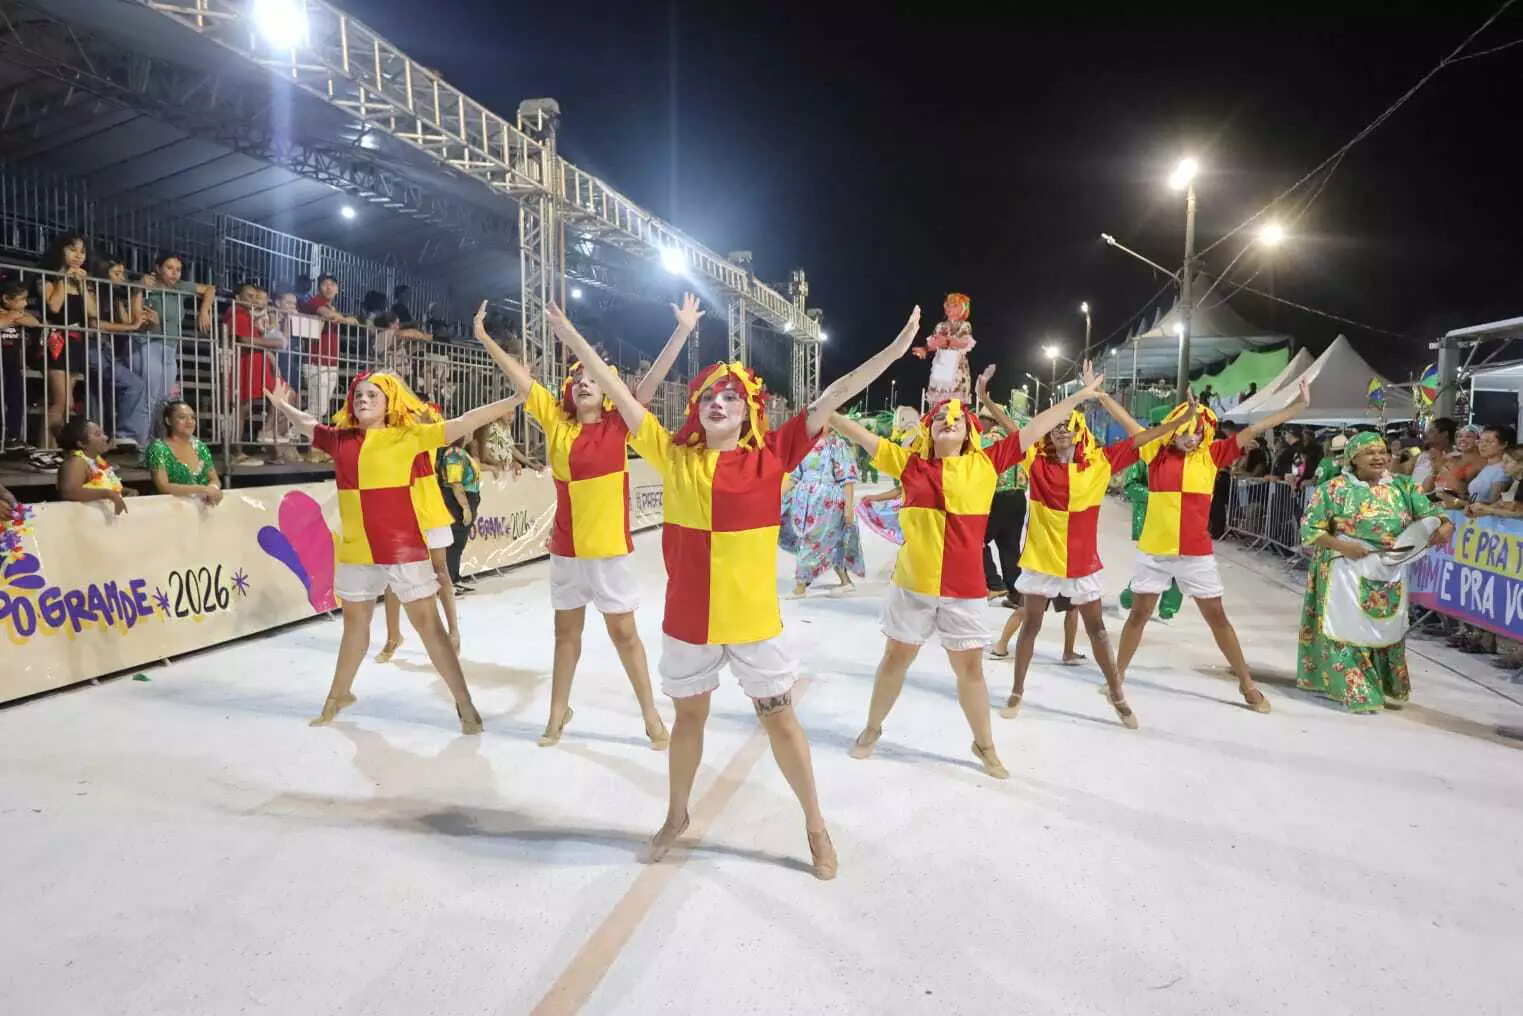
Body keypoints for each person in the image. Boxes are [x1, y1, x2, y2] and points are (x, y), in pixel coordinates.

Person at [548, 302, 917, 881]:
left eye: (730, 397)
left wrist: (893, 353)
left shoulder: (773, 455)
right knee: (688, 721)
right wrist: (571, 334)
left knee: (781, 721)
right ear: (696, 409)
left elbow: (833, 395)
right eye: (708, 397)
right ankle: (677, 815)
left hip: (751, 622)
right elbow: (618, 391)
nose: (717, 403)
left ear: (749, 412)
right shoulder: (673, 456)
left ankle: (815, 825)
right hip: (689, 621)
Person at [831, 369, 1104, 779]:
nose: (949, 420)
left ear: (970, 432)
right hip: (913, 586)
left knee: (970, 671)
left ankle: (985, 745)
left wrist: (1079, 397)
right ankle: (872, 728)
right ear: (928, 429)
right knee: (895, 659)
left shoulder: (987, 462)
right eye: (940, 417)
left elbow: (1036, 427)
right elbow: (858, 433)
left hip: (964, 589)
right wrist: (827, 410)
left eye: (957, 418)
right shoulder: (908, 463)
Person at [473, 297, 692, 751]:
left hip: (609, 549)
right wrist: (484, 338)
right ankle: (558, 711)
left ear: (608, 390)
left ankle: (650, 714)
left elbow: (652, 380)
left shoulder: (619, 423)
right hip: (567, 550)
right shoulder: (557, 423)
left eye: (594, 379)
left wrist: (682, 330)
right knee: (565, 635)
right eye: (578, 380)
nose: (584, 384)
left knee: (624, 635)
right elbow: (521, 379)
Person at [264, 372, 520, 733]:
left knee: (429, 627)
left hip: (402, 549)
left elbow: (465, 421)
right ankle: (337, 695)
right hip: (358, 550)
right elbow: (307, 424)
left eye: (373, 395)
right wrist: (282, 405)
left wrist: (515, 399)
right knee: (354, 628)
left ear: (389, 403)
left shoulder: (408, 436)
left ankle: (464, 703)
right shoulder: (340, 440)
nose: (363, 399)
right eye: (359, 394)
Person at [988, 364, 1199, 729]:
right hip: (1041, 559)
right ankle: (1017, 692)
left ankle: (1117, 695)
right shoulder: (1036, 460)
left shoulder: (1100, 463)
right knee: (1031, 625)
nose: (1061, 432)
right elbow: (1015, 433)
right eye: (1056, 427)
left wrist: (1183, 420)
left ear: (1079, 430)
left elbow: (1143, 439)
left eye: (1067, 426)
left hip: (1081, 562)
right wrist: (988, 401)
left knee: (1098, 630)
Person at [1114, 381, 1313, 713]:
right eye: (1185, 430)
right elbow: (1129, 424)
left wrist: (1298, 407)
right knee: (1139, 614)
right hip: (1154, 551)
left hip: (1195, 553)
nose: (1192, 437)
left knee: (1217, 617)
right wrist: (1100, 395)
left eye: (1198, 431)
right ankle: (1116, 678)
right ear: (1174, 428)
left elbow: (1256, 428)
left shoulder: (1212, 455)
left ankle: (1247, 683)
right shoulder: (1154, 452)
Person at [1296, 432, 1453, 712]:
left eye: (1382, 452)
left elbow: (1430, 513)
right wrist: (1343, 546)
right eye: (1370, 453)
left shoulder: (1404, 486)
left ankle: (1382, 684)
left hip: (1389, 568)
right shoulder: (1333, 489)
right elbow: (1310, 529)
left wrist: (1444, 524)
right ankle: (1357, 688)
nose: (1379, 457)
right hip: (1345, 565)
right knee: (1346, 626)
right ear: (1353, 459)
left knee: (1384, 626)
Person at [373, 405, 467, 660]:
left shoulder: (428, 426)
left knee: (441, 571)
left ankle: (454, 632)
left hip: (430, 511)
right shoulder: (390, 432)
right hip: (401, 513)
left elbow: (433, 420)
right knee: (395, 577)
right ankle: (393, 636)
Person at [780, 430, 865, 597]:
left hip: (828, 502)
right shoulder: (802, 445)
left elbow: (847, 478)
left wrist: (848, 507)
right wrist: (776, 497)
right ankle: (845, 581)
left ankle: (800, 585)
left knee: (812, 540)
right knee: (829, 542)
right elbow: (794, 477)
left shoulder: (837, 445)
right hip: (804, 503)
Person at [1118, 434, 1183, 621]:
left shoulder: (1186, 458)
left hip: (1180, 520)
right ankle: (1128, 600)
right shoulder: (1144, 455)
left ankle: (1168, 610)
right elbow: (1130, 485)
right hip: (1150, 520)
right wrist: (1157, 497)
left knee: (1179, 567)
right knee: (1149, 566)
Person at [145, 400, 223, 505]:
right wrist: (202, 489)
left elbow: (215, 480)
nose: (189, 422)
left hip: (203, 507)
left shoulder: (200, 447)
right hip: (171, 508)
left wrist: (213, 489)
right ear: (168, 421)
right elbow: (163, 487)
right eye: (182, 417)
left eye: (192, 417)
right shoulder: (158, 448)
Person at [55, 417, 135, 515]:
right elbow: (68, 492)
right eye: (98, 434)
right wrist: (107, 494)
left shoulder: (97, 461)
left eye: (103, 433)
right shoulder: (76, 462)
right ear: (82, 443)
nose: (105, 437)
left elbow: (106, 487)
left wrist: (125, 491)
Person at [1, 279, 42, 452]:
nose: (25, 303)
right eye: (21, 299)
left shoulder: (19, 313)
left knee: (17, 399)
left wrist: (13, 317)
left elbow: (34, 322)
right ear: (6, 299)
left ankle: (13, 437)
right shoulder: (12, 315)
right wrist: (12, 317)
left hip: (13, 364)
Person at [438, 436, 482, 588]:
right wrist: (465, 507)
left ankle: (454, 576)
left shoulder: (462, 452)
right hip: (456, 501)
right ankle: (450, 580)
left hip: (468, 497)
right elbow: (456, 483)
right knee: (455, 541)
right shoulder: (454, 454)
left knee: (459, 542)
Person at [1410, 417, 1456, 493]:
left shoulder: (1455, 459)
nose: (1426, 433)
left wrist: (1437, 468)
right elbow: (1399, 472)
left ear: (1444, 434)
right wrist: (1396, 456)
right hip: (1412, 495)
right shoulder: (1423, 455)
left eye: (1431, 431)